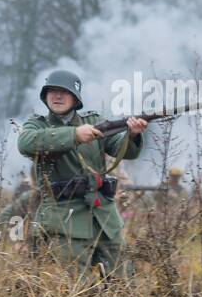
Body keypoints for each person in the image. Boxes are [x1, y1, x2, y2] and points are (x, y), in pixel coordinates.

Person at [17, 68, 147, 277]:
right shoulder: (37, 124)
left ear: (75, 98)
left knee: (123, 281)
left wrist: (132, 135)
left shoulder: (94, 121)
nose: (57, 96)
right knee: (78, 289)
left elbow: (125, 150)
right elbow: (26, 143)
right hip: (65, 221)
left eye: (64, 92)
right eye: (52, 91)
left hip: (104, 218)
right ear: (45, 96)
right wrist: (74, 135)